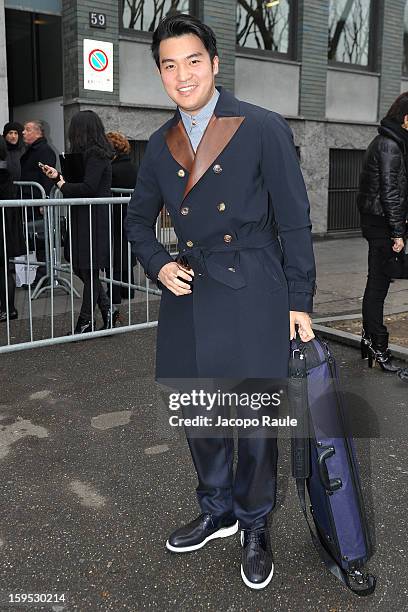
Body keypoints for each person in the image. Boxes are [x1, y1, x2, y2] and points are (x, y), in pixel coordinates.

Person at [125, 15, 316, 590]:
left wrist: (300, 297)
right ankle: (218, 508)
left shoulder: (260, 127)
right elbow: (136, 219)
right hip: (190, 289)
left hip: (254, 285)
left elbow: (295, 218)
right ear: (160, 73)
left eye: (192, 62)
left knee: (254, 421)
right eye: (168, 65)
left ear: (213, 63)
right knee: (198, 412)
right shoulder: (161, 145)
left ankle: (256, 522)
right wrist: (159, 265)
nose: (182, 76)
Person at [40, 111, 114, 334]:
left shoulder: (97, 154)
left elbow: (88, 187)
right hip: (82, 216)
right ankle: (108, 309)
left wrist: (61, 184)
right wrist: (57, 177)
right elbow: (78, 183)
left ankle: (85, 321)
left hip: (93, 217)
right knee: (79, 264)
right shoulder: (87, 154)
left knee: (88, 268)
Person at [357, 92, 408, 372]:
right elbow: (390, 190)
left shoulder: (392, 141)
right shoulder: (389, 145)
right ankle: (376, 344)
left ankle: (372, 342)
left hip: (382, 223)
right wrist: (397, 232)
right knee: (377, 287)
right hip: (383, 226)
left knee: (378, 284)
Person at [20, 120, 57, 287]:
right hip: (30, 199)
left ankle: (44, 277)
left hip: (37, 201)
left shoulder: (44, 151)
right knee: (34, 239)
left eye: (27, 130)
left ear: (38, 133)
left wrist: (44, 201)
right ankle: (37, 276)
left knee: (41, 239)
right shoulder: (32, 150)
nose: (23, 133)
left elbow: (47, 178)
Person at [106, 131, 138, 309]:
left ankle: (115, 291)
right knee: (126, 249)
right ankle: (129, 289)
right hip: (131, 213)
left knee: (116, 251)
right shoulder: (133, 167)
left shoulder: (112, 169)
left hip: (115, 213)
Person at [0, 136, 26, 321]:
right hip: (6, 228)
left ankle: (7, 309)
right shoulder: (7, 172)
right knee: (4, 269)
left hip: (3, 228)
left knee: (3, 269)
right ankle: (8, 308)